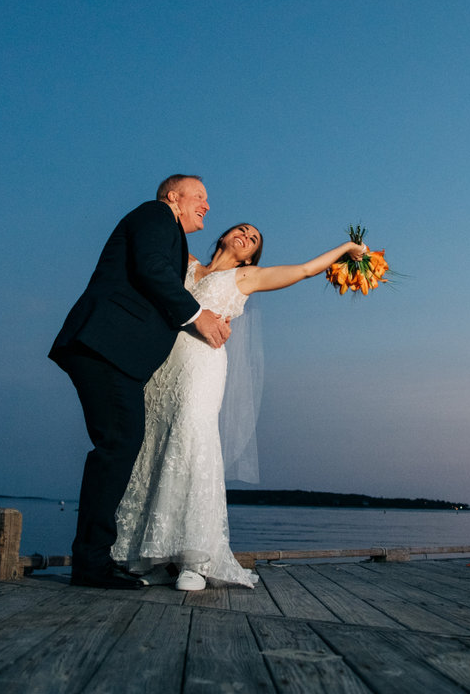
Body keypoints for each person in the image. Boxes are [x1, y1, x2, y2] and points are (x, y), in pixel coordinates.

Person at [112, 223, 367, 590]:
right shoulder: (185, 262)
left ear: (250, 256)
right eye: (242, 230)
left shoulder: (246, 276)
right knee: (152, 446)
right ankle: (147, 555)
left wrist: (346, 248)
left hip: (202, 364)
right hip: (163, 365)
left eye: (254, 240)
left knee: (192, 442)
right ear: (223, 236)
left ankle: (194, 560)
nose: (246, 236)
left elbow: (304, 270)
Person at [49, 175, 232, 589]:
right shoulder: (155, 215)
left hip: (115, 355)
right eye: (199, 196)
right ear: (174, 197)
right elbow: (150, 268)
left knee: (119, 446)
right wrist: (198, 316)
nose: (207, 204)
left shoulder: (172, 233)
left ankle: (95, 558)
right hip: (104, 346)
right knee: (118, 446)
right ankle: (92, 563)